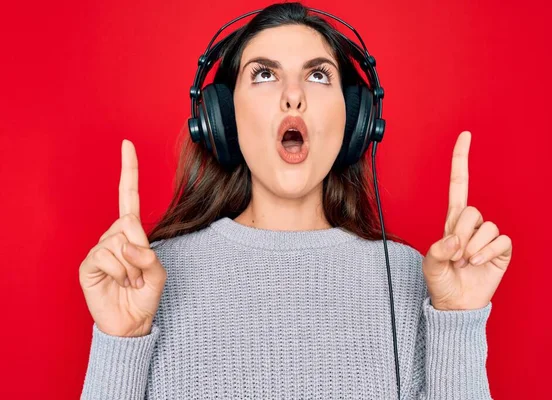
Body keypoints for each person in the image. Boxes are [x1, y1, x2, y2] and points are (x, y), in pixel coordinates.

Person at [79, 2, 512, 399]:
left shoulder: (410, 279)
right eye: (264, 74)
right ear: (222, 118)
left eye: (318, 74)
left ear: (356, 120)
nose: (293, 95)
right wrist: (121, 340)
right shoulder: (148, 281)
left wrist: (457, 320)